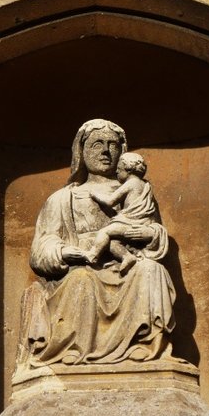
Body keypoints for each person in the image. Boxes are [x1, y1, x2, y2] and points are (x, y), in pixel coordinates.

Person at [18, 118, 177, 369]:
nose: (105, 151)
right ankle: (75, 350)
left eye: (112, 145)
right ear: (82, 151)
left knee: (151, 270)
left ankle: (144, 348)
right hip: (81, 269)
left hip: (126, 267)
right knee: (83, 279)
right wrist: (63, 252)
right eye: (97, 144)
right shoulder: (63, 198)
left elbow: (155, 231)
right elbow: (41, 249)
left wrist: (143, 234)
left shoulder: (137, 191)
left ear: (122, 153)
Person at [85, 152, 156, 274]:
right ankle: (127, 257)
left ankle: (93, 254)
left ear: (128, 169)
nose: (116, 172)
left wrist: (94, 194)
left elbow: (110, 201)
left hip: (131, 223)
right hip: (142, 223)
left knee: (105, 232)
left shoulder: (131, 183)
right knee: (112, 242)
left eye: (119, 169)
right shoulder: (145, 185)